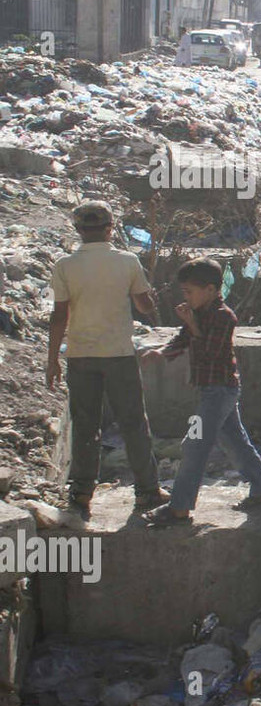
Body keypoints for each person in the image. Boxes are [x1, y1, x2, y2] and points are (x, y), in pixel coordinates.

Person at [46, 201, 169, 517]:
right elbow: (144, 306)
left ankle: (81, 494)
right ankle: (147, 491)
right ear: (110, 228)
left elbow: (60, 316)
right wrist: (146, 293)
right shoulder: (127, 261)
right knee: (133, 423)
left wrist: (51, 359)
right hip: (118, 355)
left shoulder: (64, 265)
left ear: (78, 230)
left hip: (80, 355)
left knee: (85, 425)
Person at [140, 257, 261, 526]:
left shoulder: (223, 316)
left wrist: (192, 324)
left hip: (220, 391)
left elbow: (209, 353)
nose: (187, 297)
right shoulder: (201, 313)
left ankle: (180, 507)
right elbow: (183, 339)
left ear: (211, 289)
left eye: (190, 292)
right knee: (235, 442)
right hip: (213, 391)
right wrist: (161, 353)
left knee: (193, 445)